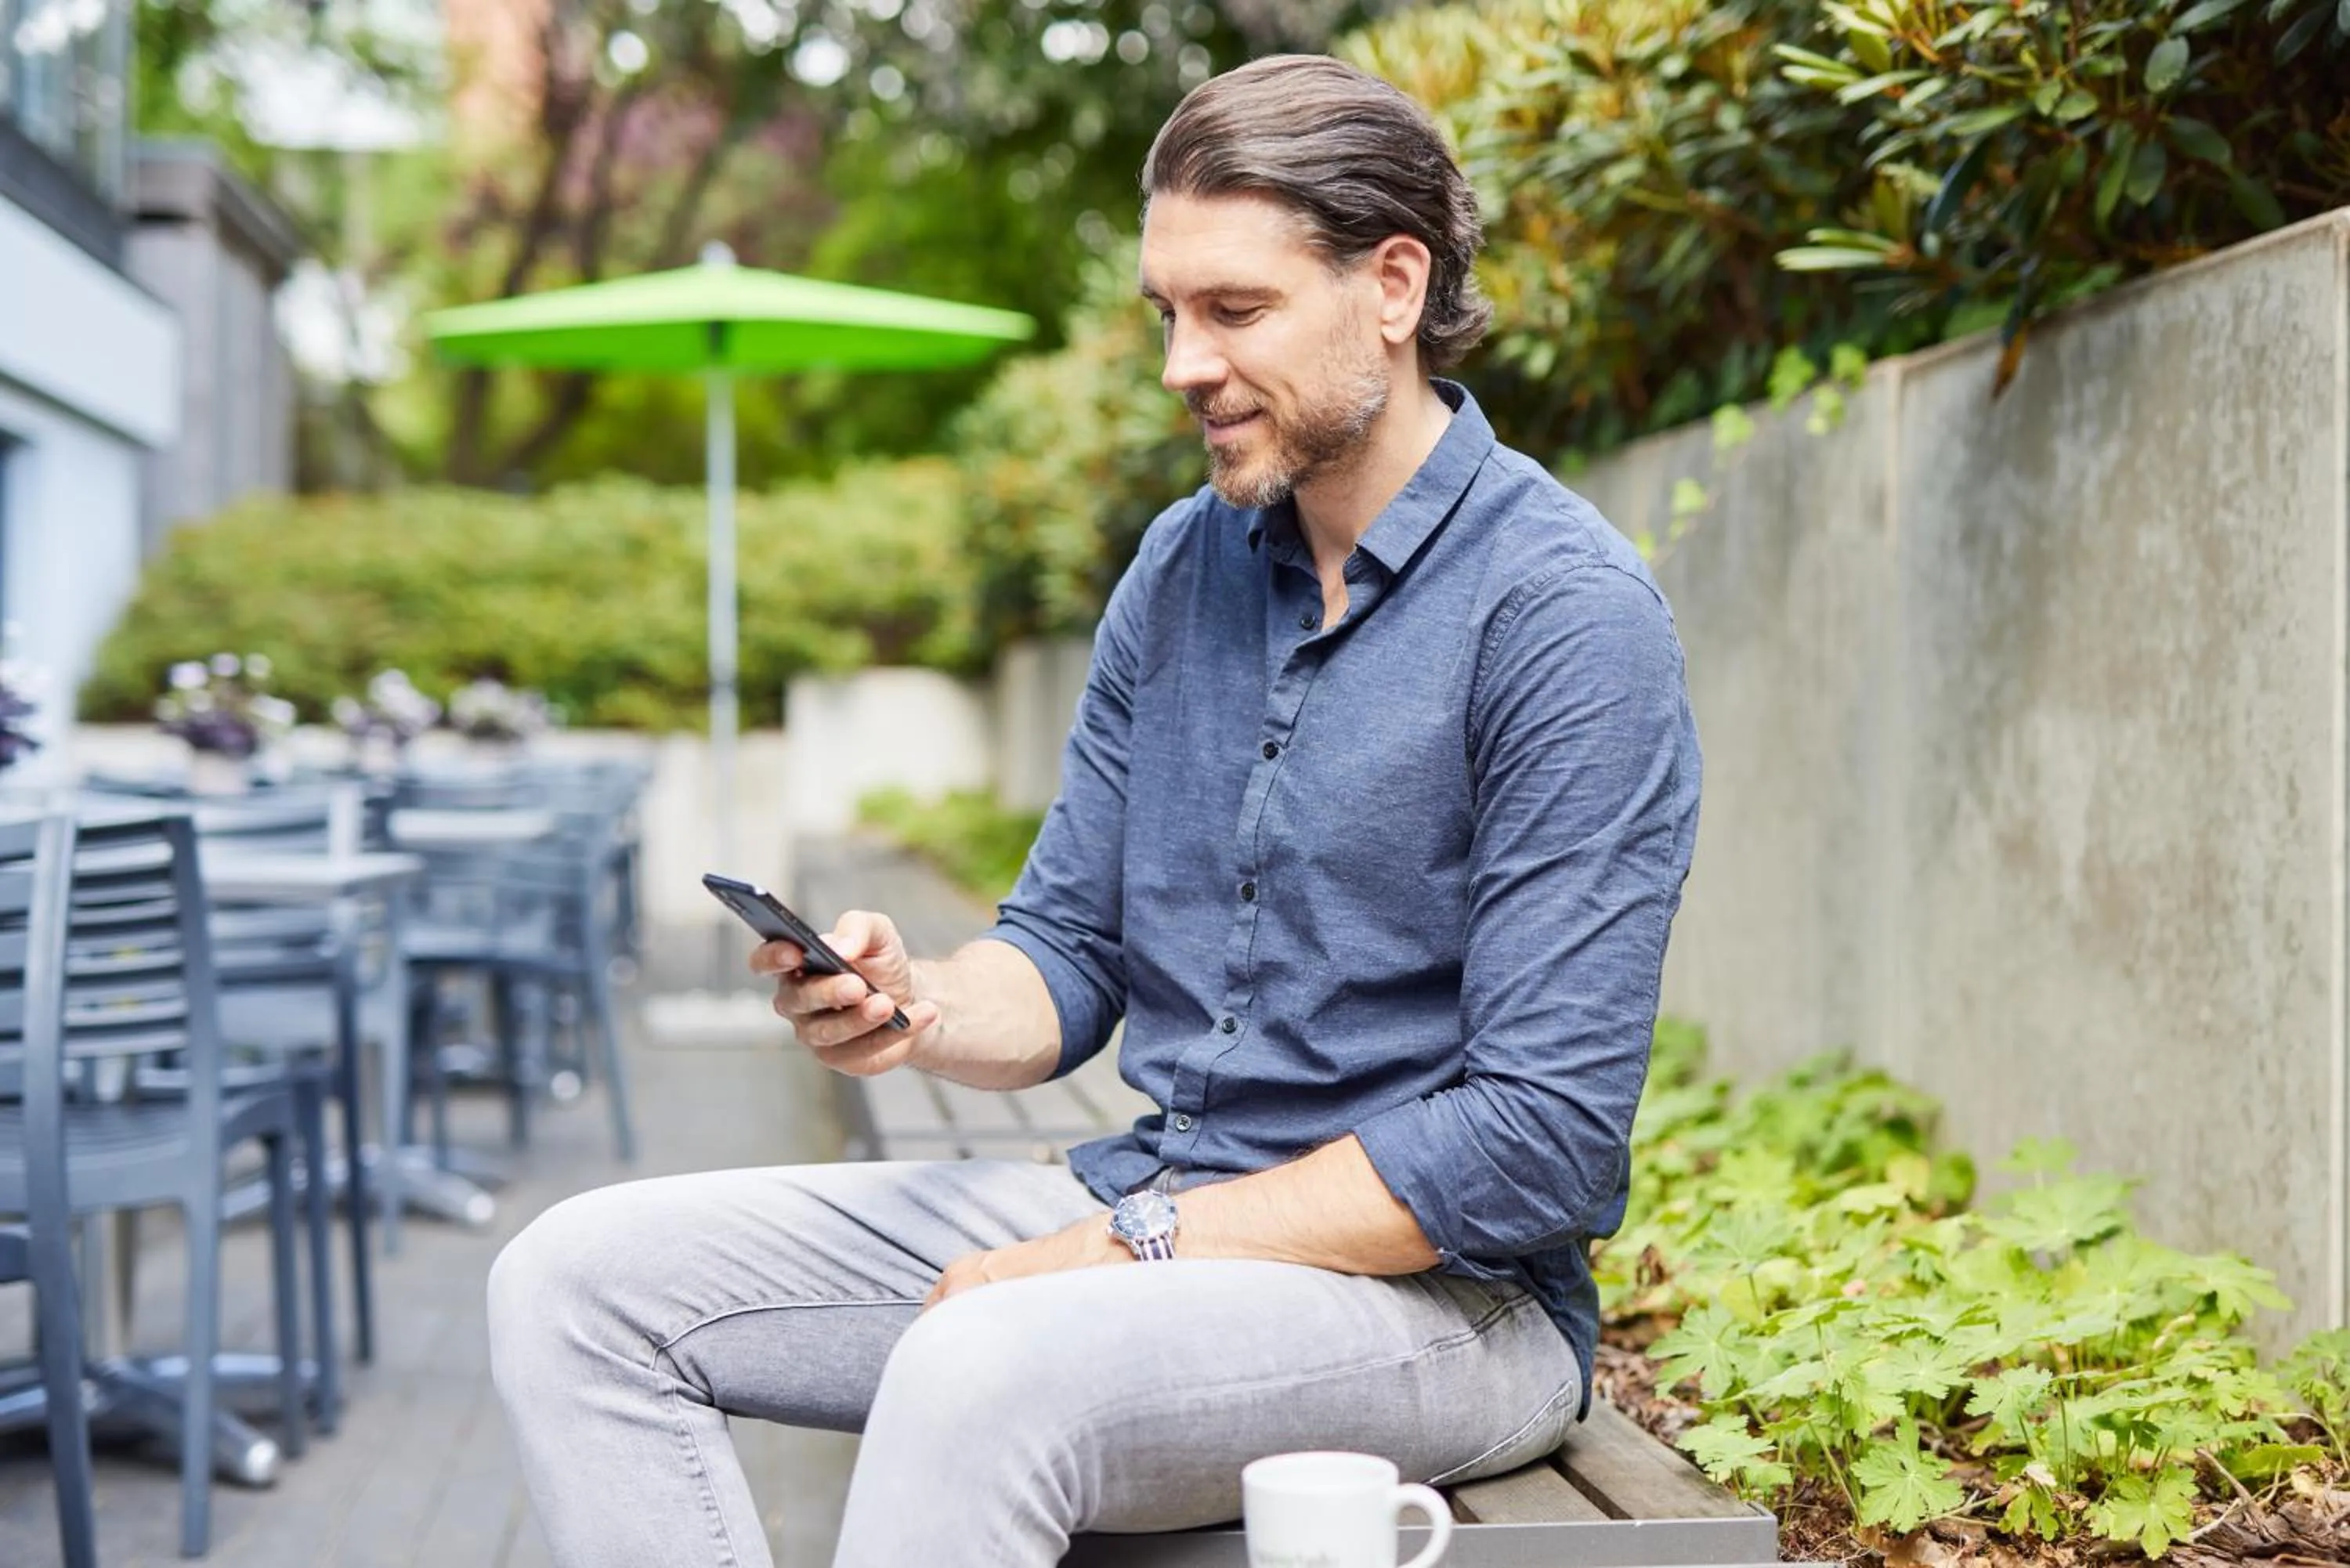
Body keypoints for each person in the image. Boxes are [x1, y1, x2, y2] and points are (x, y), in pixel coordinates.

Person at [487, 52, 1702, 1568]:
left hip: (1444, 1304)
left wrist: (1122, 1248)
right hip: (1151, 1210)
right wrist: (915, 1001)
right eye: (1168, 314)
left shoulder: (1565, 617)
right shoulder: (1181, 569)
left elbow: (1535, 1140)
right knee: (569, 1282)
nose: (1184, 362)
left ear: (1393, 287)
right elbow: (1065, 956)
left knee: (983, 1363)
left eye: (1234, 310)